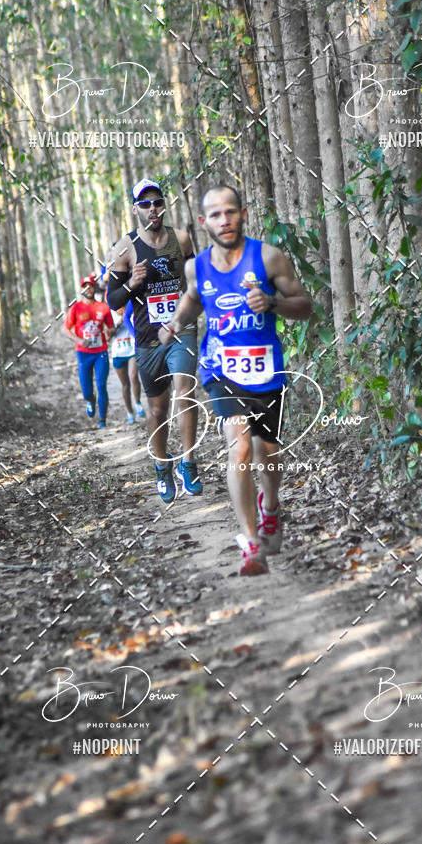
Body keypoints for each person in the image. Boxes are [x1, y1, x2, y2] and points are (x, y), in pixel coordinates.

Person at [159, 185, 312, 575]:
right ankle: (250, 541)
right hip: (220, 369)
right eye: (215, 215)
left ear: (242, 213)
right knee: (240, 447)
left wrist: (273, 303)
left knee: (267, 452)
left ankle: (271, 507)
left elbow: (307, 306)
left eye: (230, 212)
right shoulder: (197, 266)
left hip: (264, 368)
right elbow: (194, 298)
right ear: (202, 222)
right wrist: (177, 322)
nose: (223, 220)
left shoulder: (270, 258)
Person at [106, 178, 203, 501]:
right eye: (145, 204)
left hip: (182, 330)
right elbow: (113, 301)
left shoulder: (183, 240)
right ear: (136, 209)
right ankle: (162, 466)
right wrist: (133, 283)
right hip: (148, 339)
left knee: (186, 391)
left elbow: (196, 284)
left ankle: (188, 462)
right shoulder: (125, 248)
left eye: (157, 202)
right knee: (157, 410)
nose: (153, 209)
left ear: (164, 204)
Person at [64, 274, 114, 428]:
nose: (88, 289)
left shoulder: (103, 307)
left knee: (101, 384)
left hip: (101, 352)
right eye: (85, 286)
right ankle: (91, 400)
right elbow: (66, 328)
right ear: (81, 289)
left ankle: (102, 420)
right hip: (83, 353)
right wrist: (78, 340)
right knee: (86, 390)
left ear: (94, 288)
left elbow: (111, 327)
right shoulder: (76, 308)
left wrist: (109, 332)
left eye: (91, 286)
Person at [110, 307, 145, 425]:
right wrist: (120, 322)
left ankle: (138, 403)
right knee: (125, 385)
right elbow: (108, 336)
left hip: (132, 350)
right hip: (118, 353)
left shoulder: (131, 309)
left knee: (134, 376)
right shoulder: (109, 315)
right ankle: (130, 413)